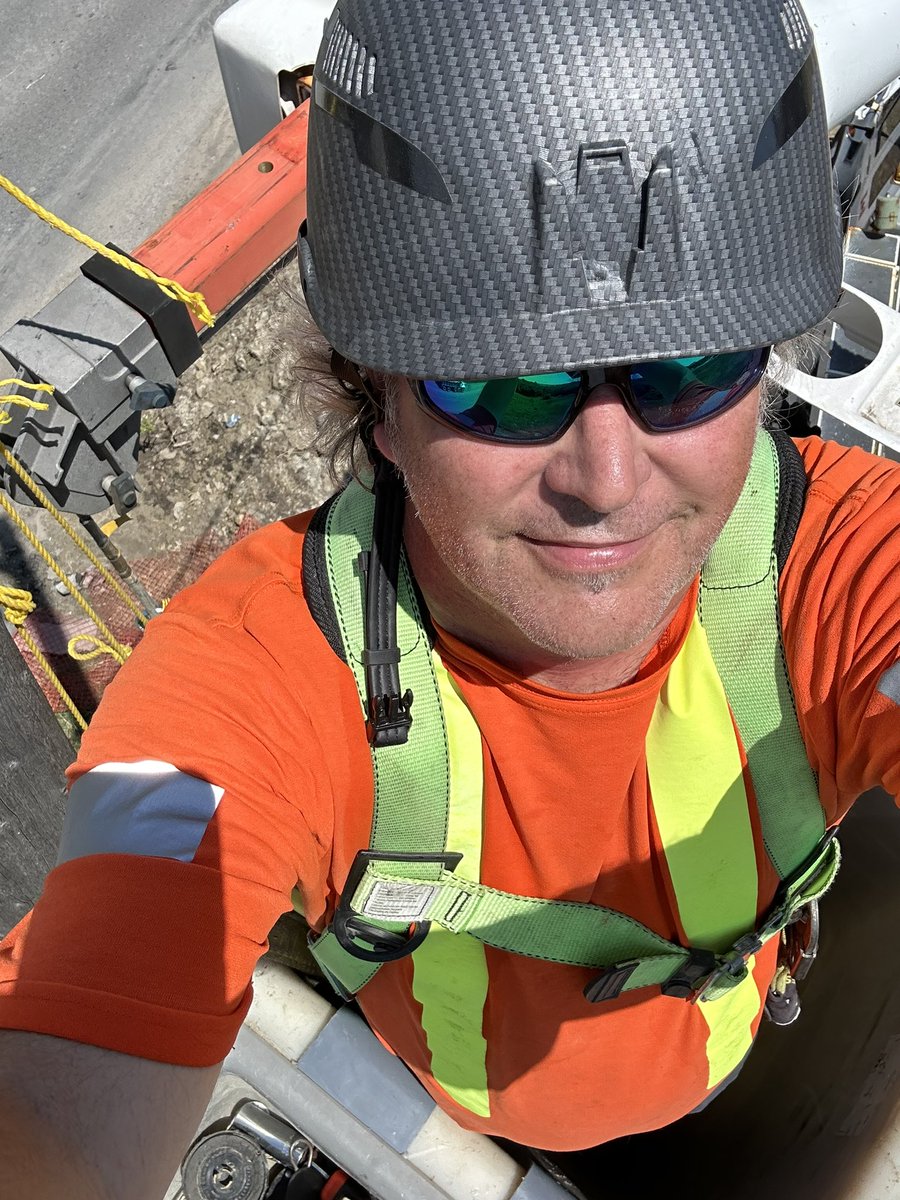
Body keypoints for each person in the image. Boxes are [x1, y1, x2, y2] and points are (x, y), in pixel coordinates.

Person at [1, 0, 899, 1195]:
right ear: (373, 390)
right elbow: (70, 1071)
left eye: (687, 368)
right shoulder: (263, 675)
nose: (606, 480)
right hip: (452, 1100)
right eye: (503, 386)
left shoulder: (838, 567)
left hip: (717, 1068)